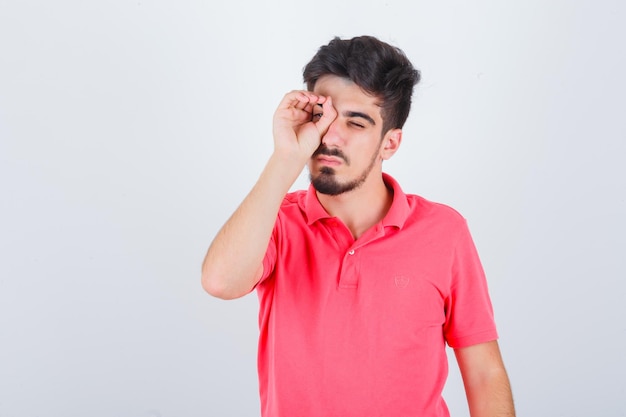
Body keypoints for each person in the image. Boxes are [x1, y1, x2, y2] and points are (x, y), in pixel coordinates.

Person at [202, 35, 515, 417]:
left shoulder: (444, 231)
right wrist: (286, 156)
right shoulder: (277, 221)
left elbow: (484, 371)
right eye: (323, 116)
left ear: (390, 143)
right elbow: (220, 282)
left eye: (356, 122)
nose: (330, 136)